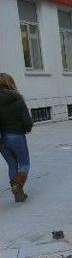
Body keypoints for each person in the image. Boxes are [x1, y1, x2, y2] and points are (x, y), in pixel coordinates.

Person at [0, 73, 33, 202]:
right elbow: (27, 122)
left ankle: (19, 193)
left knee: (12, 164)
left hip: (1, 138)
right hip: (16, 136)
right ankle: (17, 187)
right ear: (10, 83)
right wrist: (27, 128)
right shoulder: (17, 99)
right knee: (24, 164)